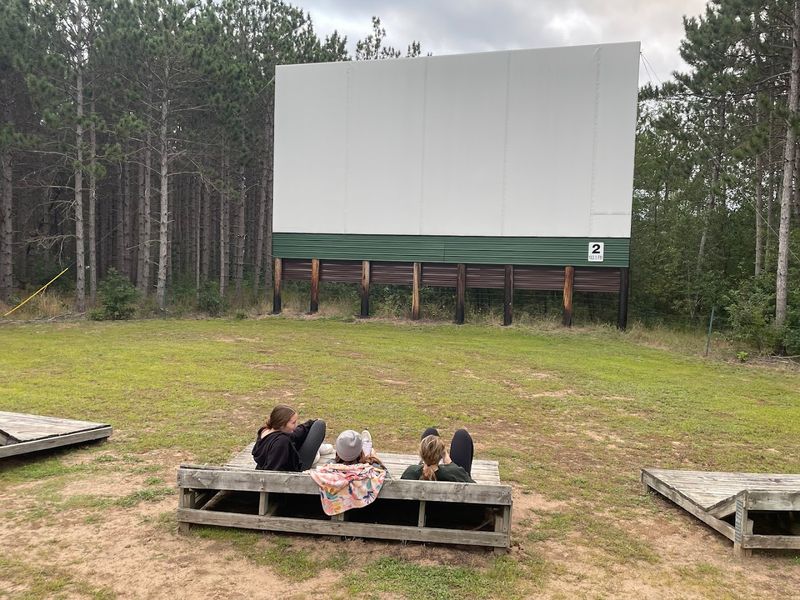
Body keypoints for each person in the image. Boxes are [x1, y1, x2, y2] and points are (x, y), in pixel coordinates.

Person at [252, 404, 326, 471]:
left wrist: (310, 423)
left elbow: (295, 434)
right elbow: (272, 473)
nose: (296, 424)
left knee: (315, 425)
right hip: (296, 469)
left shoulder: (264, 431)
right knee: (320, 425)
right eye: (293, 423)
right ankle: (316, 454)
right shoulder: (281, 442)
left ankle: (317, 451)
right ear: (281, 424)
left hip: (285, 457)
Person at [400, 427, 475, 483]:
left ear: (421, 453)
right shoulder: (456, 474)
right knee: (461, 434)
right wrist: (448, 460)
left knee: (430, 432)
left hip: (419, 503)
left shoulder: (411, 472)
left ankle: (425, 462)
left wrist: (425, 463)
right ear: (441, 453)